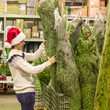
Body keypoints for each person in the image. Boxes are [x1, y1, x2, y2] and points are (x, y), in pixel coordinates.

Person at [5, 27, 57, 110]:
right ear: (16, 42)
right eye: (22, 41)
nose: (24, 43)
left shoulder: (18, 53)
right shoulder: (15, 58)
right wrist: (49, 63)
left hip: (25, 92)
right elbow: (32, 70)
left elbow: (34, 56)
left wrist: (42, 46)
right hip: (25, 93)